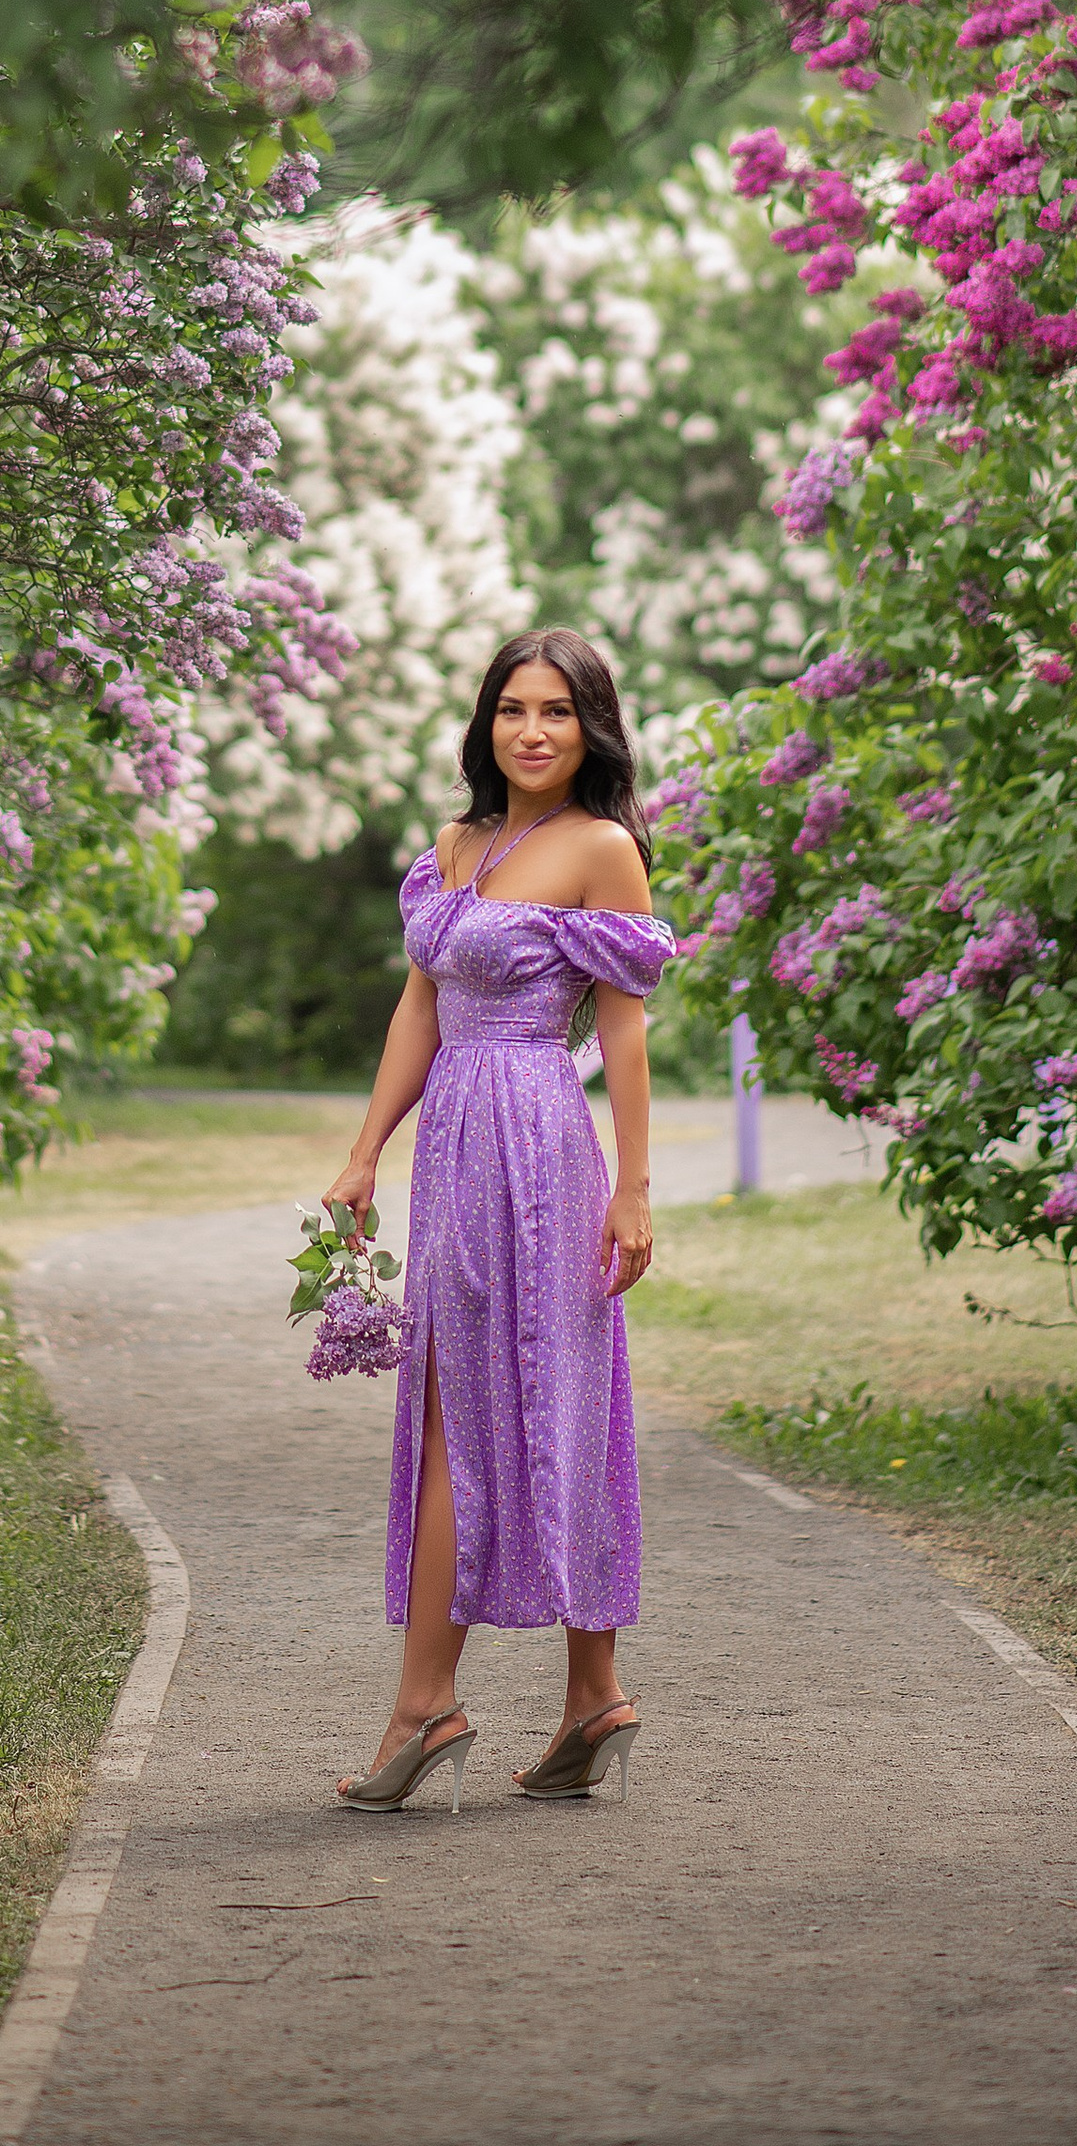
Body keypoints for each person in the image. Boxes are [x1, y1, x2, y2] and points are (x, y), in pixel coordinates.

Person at [319, 626, 674, 1812]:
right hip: (452, 1145)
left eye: (559, 712)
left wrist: (632, 1184)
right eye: (514, 707)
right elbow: (419, 1005)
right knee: (494, 1398)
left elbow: (621, 1029)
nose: (533, 729)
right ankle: (593, 1698)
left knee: (499, 1409)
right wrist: (366, 1148)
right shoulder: (455, 842)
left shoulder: (601, 847)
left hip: (537, 1135)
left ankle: (424, 1706)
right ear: (486, 722)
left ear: (591, 729)